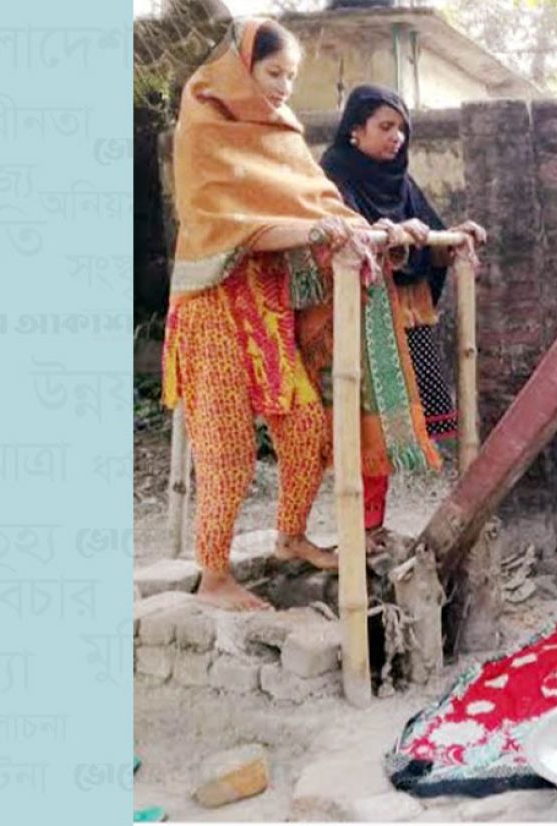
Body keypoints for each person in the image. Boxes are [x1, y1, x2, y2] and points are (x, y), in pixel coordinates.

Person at [162, 17, 428, 610]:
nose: (285, 87)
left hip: (264, 306)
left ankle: (288, 538)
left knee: (306, 428)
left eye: (292, 75)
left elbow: (322, 204)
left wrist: (378, 229)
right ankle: (213, 577)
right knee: (227, 452)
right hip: (212, 307)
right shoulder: (203, 127)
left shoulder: (280, 133)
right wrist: (315, 229)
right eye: (274, 72)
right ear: (242, 69)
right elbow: (228, 222)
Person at [318, 84, 486, 544]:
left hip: (410, 314)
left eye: (402, 129)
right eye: (385, 127)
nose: (396, 138)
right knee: (370, 422)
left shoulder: (400, 179)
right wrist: (388, 232)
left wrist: (451, 236)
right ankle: (361, 529)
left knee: (400, 419)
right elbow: (348, 231)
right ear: (356, 129)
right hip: (365, 319)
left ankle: (375, 525)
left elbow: (428, 233)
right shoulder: (333, 173)